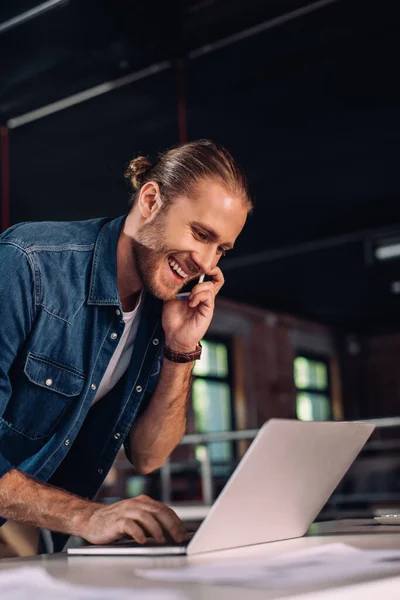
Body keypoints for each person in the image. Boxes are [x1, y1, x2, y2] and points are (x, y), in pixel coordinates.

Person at [0, 139, 252, 551]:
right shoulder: (27, 263)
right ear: (151, 199)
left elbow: (150, 455)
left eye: (220, 248)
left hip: (35, 535)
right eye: (201, 233)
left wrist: (180, 350)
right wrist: (87, 516)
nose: (207, 264)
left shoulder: (160, 311)